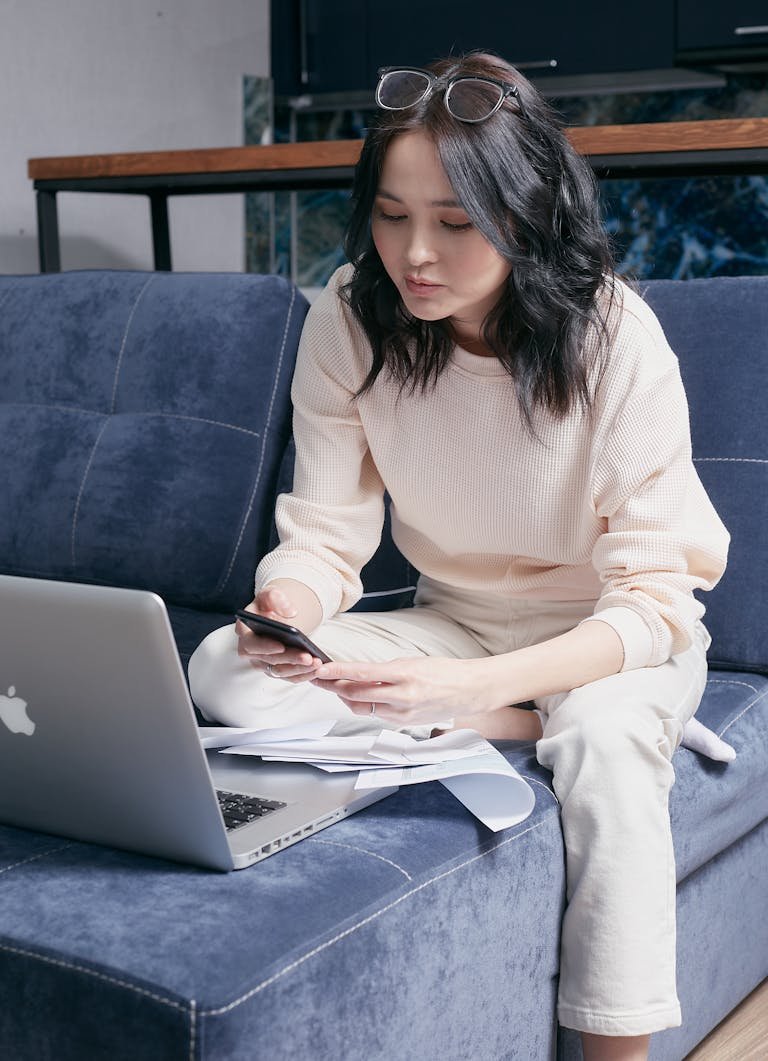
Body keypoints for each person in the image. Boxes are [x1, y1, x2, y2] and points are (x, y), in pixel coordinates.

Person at [189, 52, 730, 1060]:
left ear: (525, 216)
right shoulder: (351, 318)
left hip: (610, 639)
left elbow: (657, 602)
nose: (413, 253)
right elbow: (326, 530)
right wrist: (289, 608)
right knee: (221, 667)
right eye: (391, 215)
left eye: (454, 221)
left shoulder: (617, 337)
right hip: (455, 616)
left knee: (608, 751)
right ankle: (508, 719)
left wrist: (478, 678)